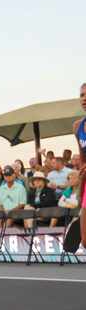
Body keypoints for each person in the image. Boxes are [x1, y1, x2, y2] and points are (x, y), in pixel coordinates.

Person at [73, 82, 86, 250]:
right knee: (85, 241)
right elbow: (82, 157)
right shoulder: (78, 126)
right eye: (82, 95)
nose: (84, 98)